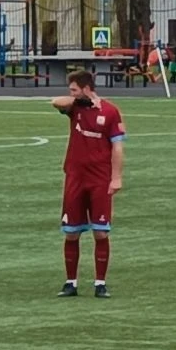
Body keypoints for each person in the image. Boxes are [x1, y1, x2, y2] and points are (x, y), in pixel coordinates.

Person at [51, 69, 126, 298]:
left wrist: (116, 177)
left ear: (86, 88)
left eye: (74, 89)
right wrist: (78, 100)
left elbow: (117, 147)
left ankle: (100, 283)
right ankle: (70, 282)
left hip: (99, 179)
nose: (71, 93)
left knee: (100, 233)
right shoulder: (75, 108)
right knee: (71, 233)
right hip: (75, 178)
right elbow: (55, 102)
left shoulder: (110, 111)